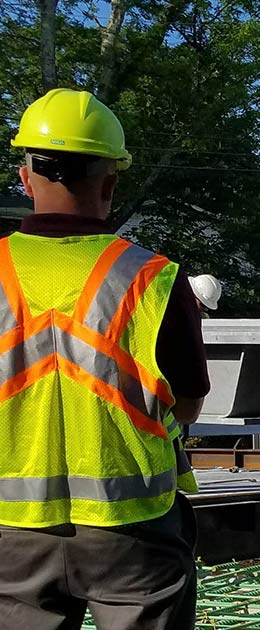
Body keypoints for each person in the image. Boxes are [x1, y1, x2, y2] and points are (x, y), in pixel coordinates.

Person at [0, 89, 209, 629]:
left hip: (9, 535)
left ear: (25, 179)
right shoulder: (153, 278)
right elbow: (186, 405)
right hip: (132, 532)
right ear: (110, 183)